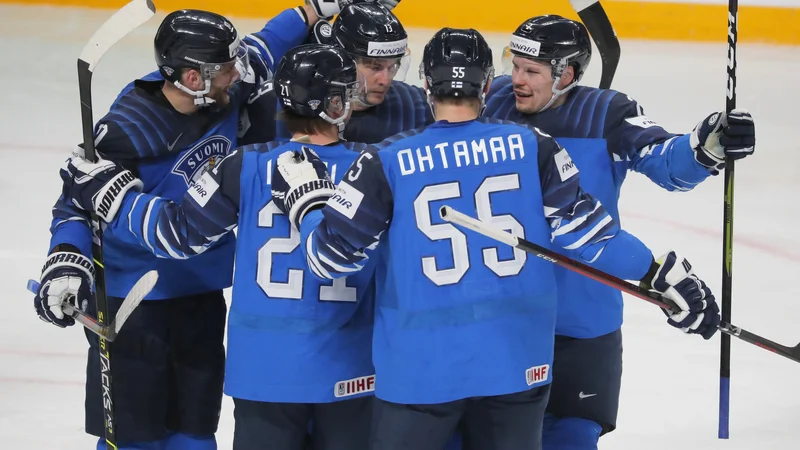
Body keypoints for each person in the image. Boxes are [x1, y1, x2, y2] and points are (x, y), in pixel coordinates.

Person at [269, 27, 720, 450]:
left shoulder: (385, 160)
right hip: (514, 362)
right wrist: (660, 276)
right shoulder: (535, 146)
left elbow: (329, 258)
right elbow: (594, 238)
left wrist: (308, 204)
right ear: (489, 87)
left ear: (425, 85)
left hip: (419, 368)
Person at [31, 4, 342, 449]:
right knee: (134, 439)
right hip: (131, 305)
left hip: (201, 297)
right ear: (193, 78)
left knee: (195, 433)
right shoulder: (127, 129)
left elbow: (264, 46)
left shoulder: (225, 89)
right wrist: (66, 260)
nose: (237, 73)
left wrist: (311, 10)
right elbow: (76, 203)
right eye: (226, 68)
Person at [482, 15, 754, 450]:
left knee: (571, 438)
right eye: (515, 66)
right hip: (497, 316)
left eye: (531, 71)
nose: (517, 79)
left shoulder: (606, 113)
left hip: (583, 319)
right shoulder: (490, 98)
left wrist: (707, 146)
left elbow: (667, 163)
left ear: (566, 74)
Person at [276, 2, 434, 143]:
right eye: (375, 67)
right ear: (342, 61)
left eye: (393, 66)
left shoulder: (419, 107)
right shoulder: (295, 107)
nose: (385, 81)